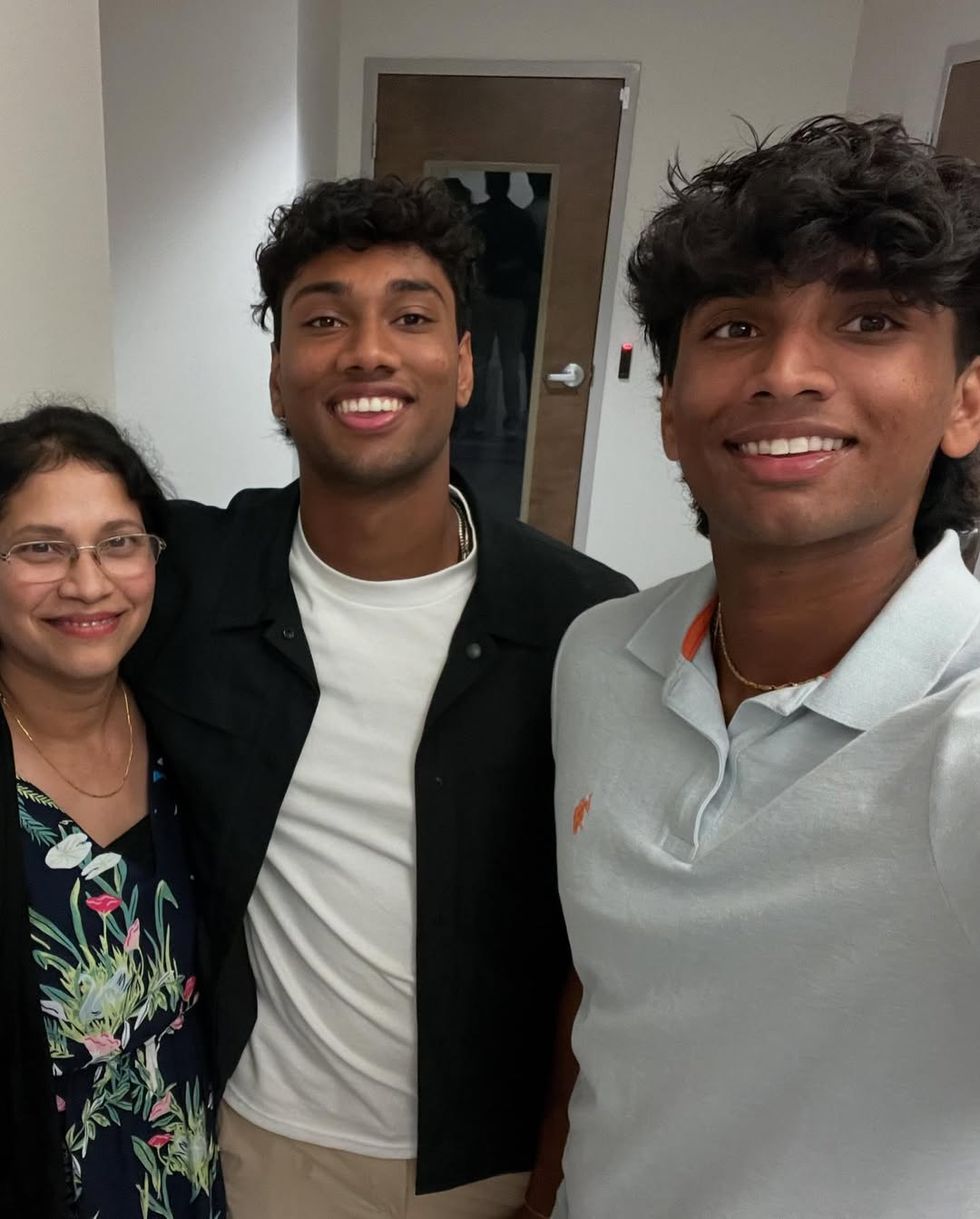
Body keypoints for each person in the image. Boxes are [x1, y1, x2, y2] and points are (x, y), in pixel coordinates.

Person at [124, 176, 634, 1219]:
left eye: (410, 315)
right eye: (322, 319)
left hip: (485, 1160)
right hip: (265, 1142)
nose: (366, 350)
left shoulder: (578, 620)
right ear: (276, 375)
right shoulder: (185, 581)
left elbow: (608, 942)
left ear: (460, 365)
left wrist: (550, 1179)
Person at [552, 115, 980, 1218]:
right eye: (736, 325)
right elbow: (612, 996)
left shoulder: (958, 730)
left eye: (868, 320)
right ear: (667, 412)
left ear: (963, 402)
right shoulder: (599, 654)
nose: (787, 372)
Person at [0, 405, 224, 1217]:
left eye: (119, 542)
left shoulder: (187, 721)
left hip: (195, 1178)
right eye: (40, 548)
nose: (88, 582)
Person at [467, 172, 543, 436]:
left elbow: (468, 256)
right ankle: (512, 420)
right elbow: (534, 261)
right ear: (508, 184)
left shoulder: (478, 217)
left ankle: (476, 418)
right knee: (511, 362)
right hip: (514, 297)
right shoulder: (521, 218)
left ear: (488, 183)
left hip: (484, 296)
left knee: (480, 360)